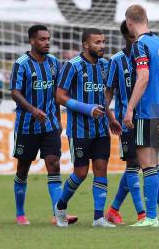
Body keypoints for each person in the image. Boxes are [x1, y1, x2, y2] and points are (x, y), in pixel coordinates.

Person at [9, 24, 77, 226]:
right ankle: (20, 213)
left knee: (54, 164)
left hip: (50, 126)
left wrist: (57, 121)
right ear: (32, 41)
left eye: (48, 39)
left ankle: (58, 214)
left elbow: (57, 94)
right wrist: (32, 110)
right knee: (23, 168)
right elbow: (15, 92)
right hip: (26, 126)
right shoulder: (21, 64)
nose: (46, 42)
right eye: (42, 39)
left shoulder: (54, 63)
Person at [53, 28, 120, 228]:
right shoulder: (72, 66)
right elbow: (60, 96)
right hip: (79, 130)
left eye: (103, 42)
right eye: (97, 42)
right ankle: (61, 206)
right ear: (85, 44)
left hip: (100, 129)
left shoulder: (105, 66)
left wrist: (111, 118)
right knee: (81, 172)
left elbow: (103, 97)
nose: (102, 46)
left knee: (101, 169)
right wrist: (86, 109)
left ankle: (98, 217)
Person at [122, 4, 159, 228]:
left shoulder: (140, 45)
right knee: (155, 164)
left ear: (129, 22)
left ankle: (150, 217)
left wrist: (130, 108)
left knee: (147, 165)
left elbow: (143, 77)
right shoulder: (158, 42)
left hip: (145, 111)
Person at [103, 21, 146, 224]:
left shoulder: (146, 57)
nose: (135, 40)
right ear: (125, 37)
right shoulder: (116, 61)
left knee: (138, 165)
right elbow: (108, 91)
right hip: (127, 121)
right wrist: (107, 113)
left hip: (147, 117)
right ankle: (142, 214)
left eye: (136, 36)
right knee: (132, 165)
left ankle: (113, 210)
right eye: (131, 37)